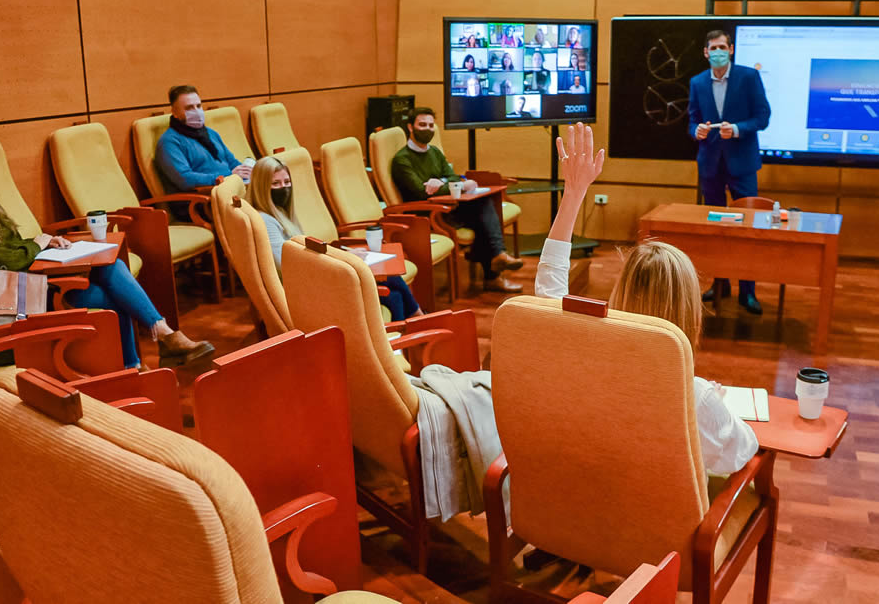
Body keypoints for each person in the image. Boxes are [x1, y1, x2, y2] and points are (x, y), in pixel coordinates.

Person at [535, 123, 759, 475]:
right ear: (690, 311)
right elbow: (741, 453)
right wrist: (716, 404)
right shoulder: (694, 396)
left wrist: (574, 192)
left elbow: (549, 284)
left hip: (577, 511)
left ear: (621, 290)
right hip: (657, 527)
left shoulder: (577, 352)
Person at [0, 139, 215, 370]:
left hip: (25, 283)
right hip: (4, 300)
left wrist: (44, 242)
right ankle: (151, 350)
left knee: (108, 266)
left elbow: (10, 248)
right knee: (112, 298)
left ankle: (149, 350)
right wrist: (36, 246)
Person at [246, 157, 422, 321]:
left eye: (287, 182)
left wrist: (343, 254)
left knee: (394, 295)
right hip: (306, 291)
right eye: (276, 183)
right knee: (389, 283)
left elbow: (303, 252)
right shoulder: (266, 220)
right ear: (262, 187)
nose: (284, 188)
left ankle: (401, 340)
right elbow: (287, 264)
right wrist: (341, 260)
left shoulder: (279, 213)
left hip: (311, 279)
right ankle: (419, 322)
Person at [391, 107, 523, 292]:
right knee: (482, 217)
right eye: (422, 125)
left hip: (449, 208)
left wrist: (440, 182)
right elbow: (420, 192)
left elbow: (452, 177)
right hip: (426, 216)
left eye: (430, 125)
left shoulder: (435, 152)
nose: (427, 129)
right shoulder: (402, 159)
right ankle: (493, 270)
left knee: (483, 204)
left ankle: (496, 260)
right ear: (410, 127)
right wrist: (451, 185)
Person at [687, 30, 771, 315]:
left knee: (748, 228)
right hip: (710, 165)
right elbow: (693, 119)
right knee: (715, 229)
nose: (719, 51)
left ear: (731, 49)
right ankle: (720, 284)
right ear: (706, 52)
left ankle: (748, 291)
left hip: (742, 165)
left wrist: (736, 129)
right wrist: (696, 131)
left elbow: (763, 117)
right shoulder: (697, 82)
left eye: (723, 46)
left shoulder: (749, 77)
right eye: (714, 47)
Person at [155, 85, 252, 195]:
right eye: (189, 108)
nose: (197, 111)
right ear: (175, 112)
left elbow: (231, 162)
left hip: (228, 189)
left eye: (199, 106)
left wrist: (246, 171)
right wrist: (227, 175)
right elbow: (185, 179)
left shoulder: (210, 133)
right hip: (202, 199)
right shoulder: (169, 142)